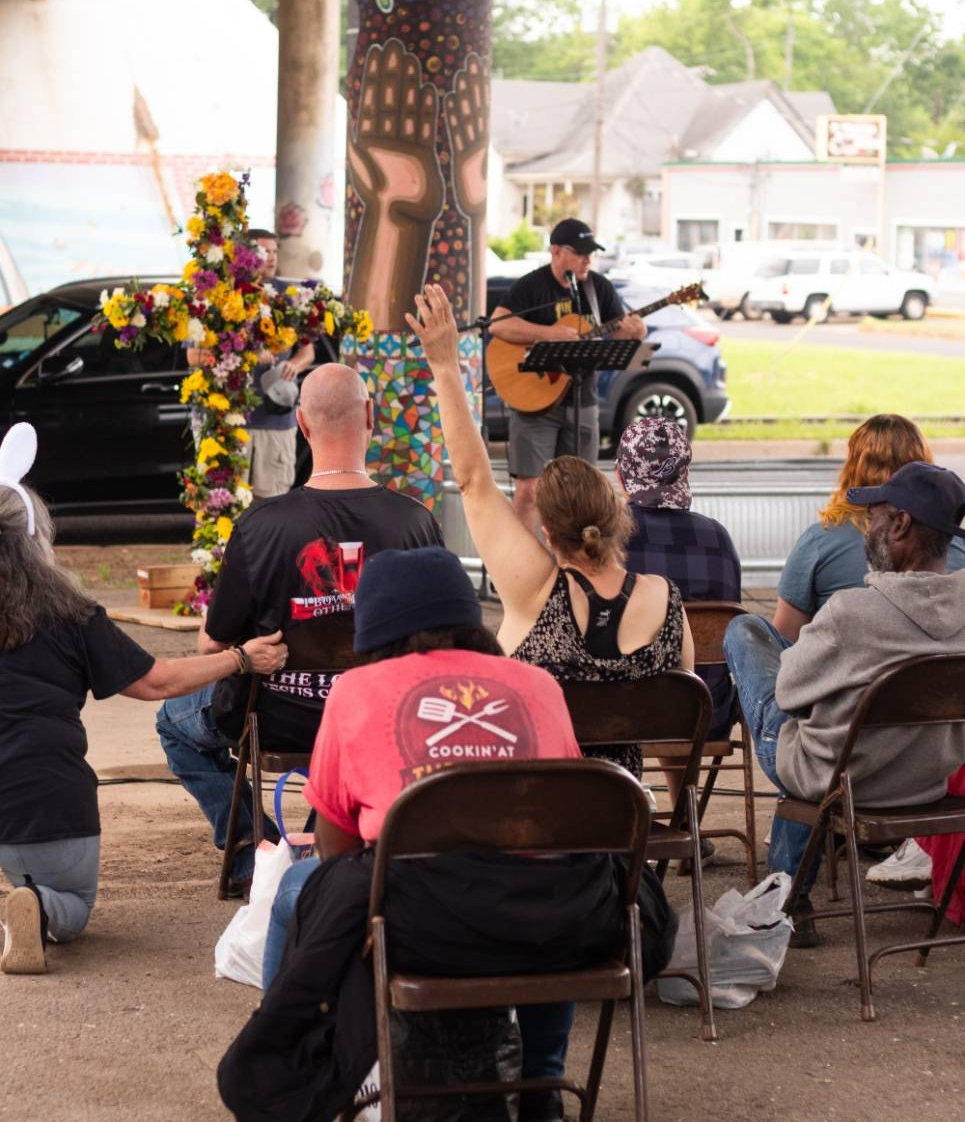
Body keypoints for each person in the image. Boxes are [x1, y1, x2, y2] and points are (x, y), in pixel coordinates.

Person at [234, 546, 677, 1122]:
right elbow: (577, 829)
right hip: (567, 925)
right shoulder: (538, 684)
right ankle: (542, 1083)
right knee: (545, 877)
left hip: (423, 928)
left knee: (298, 888)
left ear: (373, 626)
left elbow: (337, 849)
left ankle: (295, 1058)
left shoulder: (355, 692)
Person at [0, 423, 287, 975]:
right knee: (72, 909)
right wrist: (242, 658)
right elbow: (156, 683)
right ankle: (36, 910)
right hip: (46, 802)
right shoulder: (71, 615)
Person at [155, 363, 443, 891]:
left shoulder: (261, 526)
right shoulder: (416, 522)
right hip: (379, 724)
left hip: (277, 718)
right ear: (372, 418)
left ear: (303, 427)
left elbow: (212, 645)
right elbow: (443, 640)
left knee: (174, 723)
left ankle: (253, 853)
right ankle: (323, 851)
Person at [407, 284, 693, 783]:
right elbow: (685, 706)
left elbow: (474, 481)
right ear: (617, 513)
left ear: (545, 531)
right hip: (619, 821)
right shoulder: (665, 602)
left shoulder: (534, 592)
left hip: (530, 812)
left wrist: (445, 367)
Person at [724, 460, 965, 944]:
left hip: (837, 781)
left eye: (873, 516)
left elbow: (788, 694)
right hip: (927, 782)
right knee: (826, 712)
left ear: (899, 525)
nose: (866, 528)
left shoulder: (851, 612)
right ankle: (790, 898)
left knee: (745, 631)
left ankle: (785, 900)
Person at [617, 416, 741, 859]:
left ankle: (619, 818)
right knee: (679, 679)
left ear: (622, 472)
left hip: (624, 713)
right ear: (684, 470)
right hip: (706, 712)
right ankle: (685, 819)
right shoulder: (718, 539)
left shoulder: (611, 541)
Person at [487, 218, 646, 534]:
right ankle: (522, 567)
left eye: (591, 253)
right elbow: (498, 325)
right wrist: (548, 333)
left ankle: (572, 565)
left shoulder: (598, 287)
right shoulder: (532, 286)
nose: (588, 259)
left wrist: (636, 331)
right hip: (536, 404)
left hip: (582, 402)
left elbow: (628, 332)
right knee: (530, 491)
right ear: (556, 251)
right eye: (580, 252)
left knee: (580, 491)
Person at [773, 413, 965, 644]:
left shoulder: (821, 543)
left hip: (848, 674)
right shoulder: (952, 547)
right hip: (943, 677)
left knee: (746, 629)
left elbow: (783, 643)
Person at [243, 229, 317, 500]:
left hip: (277, 416)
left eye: (275, 252)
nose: (272, 258)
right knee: (234, 504)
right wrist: (248, 355)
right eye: (265, 252)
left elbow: (307, 351)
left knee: (273, 500)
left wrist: (296, 364)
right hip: (236, 418)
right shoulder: (229, 297)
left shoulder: (291, 295)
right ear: (245, 257)